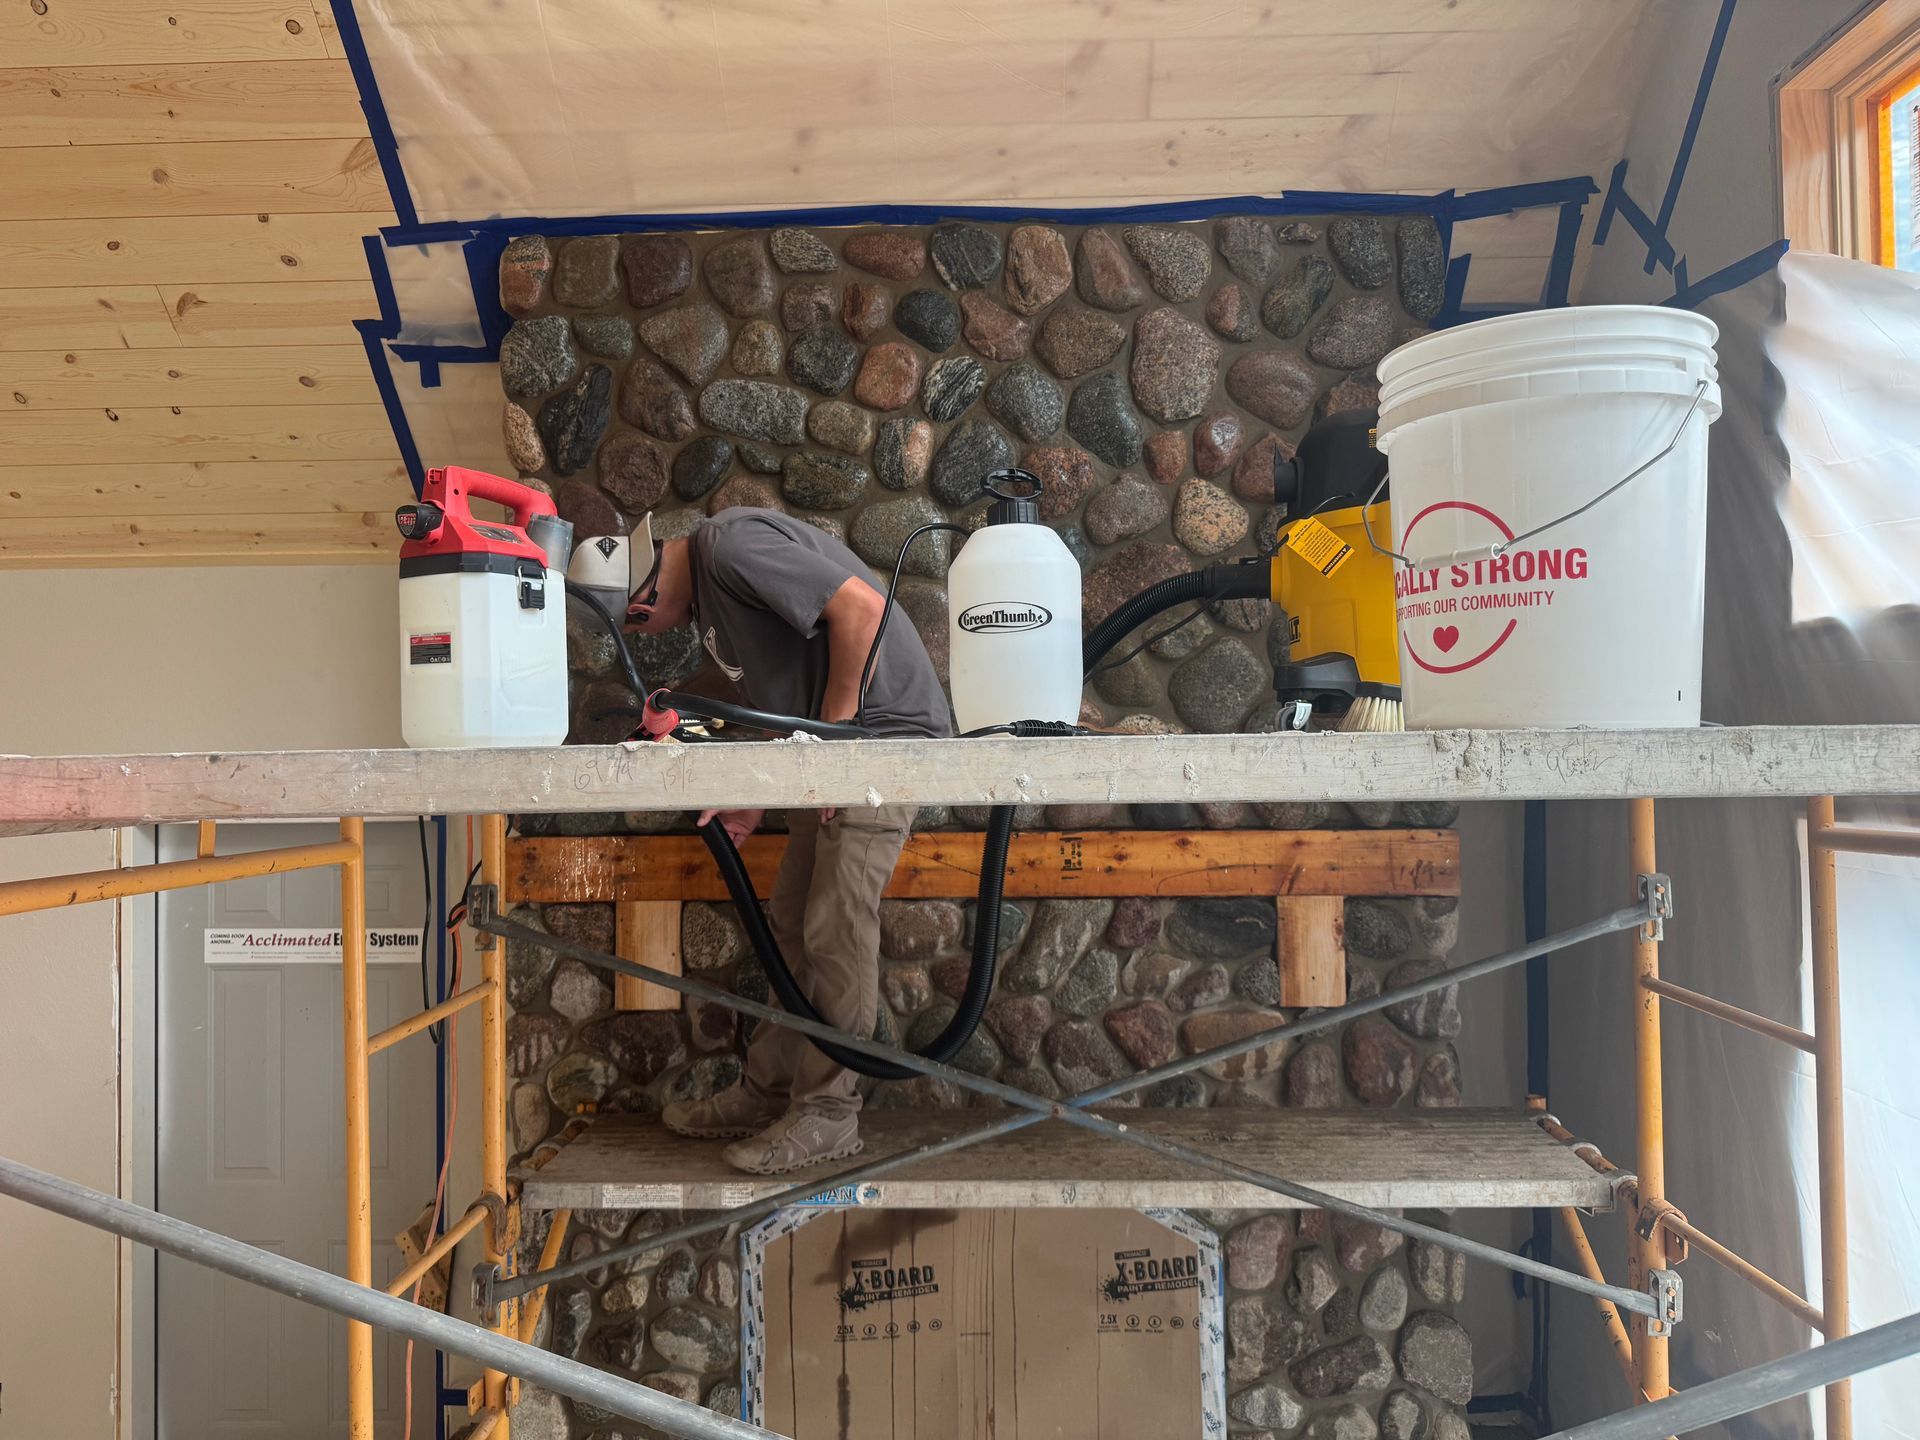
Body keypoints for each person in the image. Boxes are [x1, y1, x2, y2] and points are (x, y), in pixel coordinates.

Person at [570, 506, 951, 1175]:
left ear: (640, 602)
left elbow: (860, 613)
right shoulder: (718, 595)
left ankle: (830, 1114)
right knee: (792, 930)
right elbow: (784, 691)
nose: (653, 634)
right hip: (833, 753)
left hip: (881, 745)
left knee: (835, 925)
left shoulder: (729, 545)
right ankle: (769, 1092)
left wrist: (832, 743)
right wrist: (755, 793)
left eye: (641, 627)